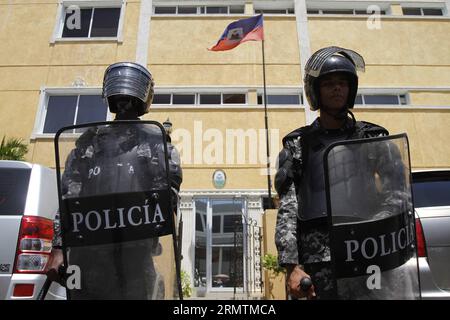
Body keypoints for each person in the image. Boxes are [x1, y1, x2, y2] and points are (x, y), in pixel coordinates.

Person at [48, 62, 182, 299]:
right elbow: (69, 197)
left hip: (135, 254)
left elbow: (167, 199)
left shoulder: (157, 144)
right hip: (89, 252)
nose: (124, 104)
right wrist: (58, 248)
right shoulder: (89, 141)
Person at [274, 47, 393, 300]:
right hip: (317, 260)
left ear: (351, 89)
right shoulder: (297, 144)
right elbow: (288, 207)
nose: (337, 89)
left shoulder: (373, 138)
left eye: (342, 83)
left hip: (369, 254)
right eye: (328, 84)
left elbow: (397, 195)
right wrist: (292, 267)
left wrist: (380, 235)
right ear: (316, 91)